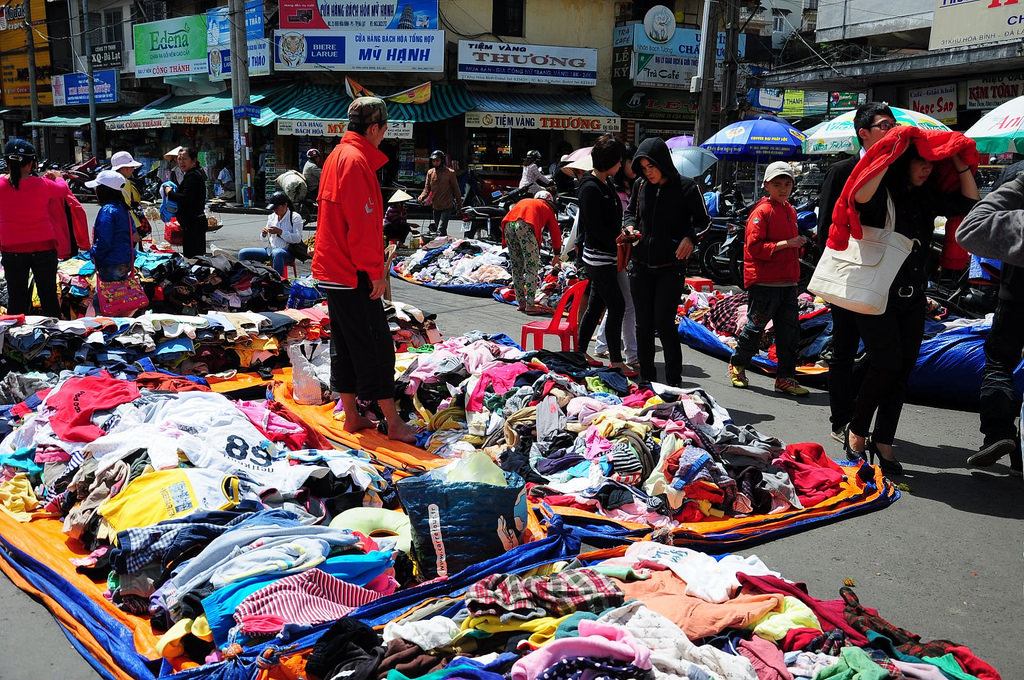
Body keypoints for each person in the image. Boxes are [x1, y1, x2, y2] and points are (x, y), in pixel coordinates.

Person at [834, 139, 978, 474]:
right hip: (875, 293)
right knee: (885, 363)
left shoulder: (927, 195)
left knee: (902, 369)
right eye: (921, 162)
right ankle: (857, 430)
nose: (927, 169)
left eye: (931, 164)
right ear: (904, 163)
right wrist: (889, 154)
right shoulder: (882, 192)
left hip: (913, 297)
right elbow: (859, 198)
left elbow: (969, 200)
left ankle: (884, 440)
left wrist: (956, 159)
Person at [311, 96, 418, 444]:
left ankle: (353, 416)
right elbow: (362, 224)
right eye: (383, 130)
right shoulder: (356, 161)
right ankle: (393, 421)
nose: (383, 137)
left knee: (345, 341)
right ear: (374, 128)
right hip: (349, 269)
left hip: (332, 266)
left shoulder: (336, 156)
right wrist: (374, 272)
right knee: (375, 346)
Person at [821, 102, 898, 443]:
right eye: (884, 125)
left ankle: (858, 410)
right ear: (863, 133)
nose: (891, 129)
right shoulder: (842, 171)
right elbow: (826, 226)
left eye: (893, 124)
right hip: (849, 271)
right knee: (844, 346)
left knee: (887, 351)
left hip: (886, 273)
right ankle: (842, 418)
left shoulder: (897, 170)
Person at [623, 137, 710, 386]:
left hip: (670, 269)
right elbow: (631, 213)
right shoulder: (640, 186)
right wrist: (629, 226)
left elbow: (705, 222)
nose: (648, 172)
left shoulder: (687, 188)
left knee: (664, 324)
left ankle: (673, 383)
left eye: (651, 166)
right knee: (643, 325)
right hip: (640, 266)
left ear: (662, 162)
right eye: (643, 168)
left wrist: (690, 238)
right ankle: (646, 382)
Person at [955, 168, 1024, 477]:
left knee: (999, 361)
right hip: (1012, 294)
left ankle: (998, 433)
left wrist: (1018, 182)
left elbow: (971, 228)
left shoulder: (1016, 182)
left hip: (1015, 295)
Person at [728, 162, 810, 397]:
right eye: (777, 184)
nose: (783, 188)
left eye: (787, 184)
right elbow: (754, 248)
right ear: (766, 186)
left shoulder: (790, 210)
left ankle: (785, 378)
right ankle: (738, 364)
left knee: (789, 333)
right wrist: (789, 244)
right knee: (755, 329)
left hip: (788, 282)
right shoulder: (761, 212)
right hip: (765, 282)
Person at [574, 134, 633, 375]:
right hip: (598, 258)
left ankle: (579, 351)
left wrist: (623, 234)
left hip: (607, 255)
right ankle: (617, 361)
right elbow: (595, 228)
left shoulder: (606, 183)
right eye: (619, 161)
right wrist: (619, 240)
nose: (621, 165)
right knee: (616, 305)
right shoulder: (590, 187)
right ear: (610, 161)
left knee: (597, 304)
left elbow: (609, 222)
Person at [0, 139, 65, 317]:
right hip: (44, 249)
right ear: (31, 164)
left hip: (11, 250)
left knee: (17, 298)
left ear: (6, 163)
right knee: (48, 296)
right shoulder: (43, 185)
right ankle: (56, 339)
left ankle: (16, 340)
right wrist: (58, 177)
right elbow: (63, 190)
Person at [500, 190, 561, 315]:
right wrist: (557, 253)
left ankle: (521, 302)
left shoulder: (525, 201)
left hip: (508, 226)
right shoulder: (547, 207)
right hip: (525, 226)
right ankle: (530, 305)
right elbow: (555, 232)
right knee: (531, 267)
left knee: (516, 267)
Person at [238, 191, 304, 276]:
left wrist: (280, 232)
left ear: (285, 205)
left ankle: (278, 282)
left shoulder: (295, 217)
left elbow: (297, 238)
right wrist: (264, 234)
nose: (275, 211)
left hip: (286, 252)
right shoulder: (272, 217)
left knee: (277, 253)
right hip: (270, 250)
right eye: (273, 209)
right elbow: (263, 239)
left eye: (277, 208)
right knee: (243, 253)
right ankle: (245, 280)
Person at [88, 169, 134, 285]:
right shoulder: (122, 208)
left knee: (106, 300)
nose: (95, 190)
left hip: (110, 262)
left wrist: (94, 254)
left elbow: (103, 240)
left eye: (97, 187)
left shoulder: (107, 210)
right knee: (120, 297)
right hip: (124, 260)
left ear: (104, 190)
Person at [164, 147, 208, 258]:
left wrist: (169, 193)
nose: (181, 162)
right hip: (193, 223)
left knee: (194, 257)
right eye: (179, 159)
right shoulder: (192, 174)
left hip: (193, 224)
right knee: (195, 256)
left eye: (184, 159)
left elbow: (185, 198)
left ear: (193, 160)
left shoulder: (192, 176)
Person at [417, 150, 461, 239]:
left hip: (447, 206)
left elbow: (456, 190)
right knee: (440, 231)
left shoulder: (450, 173)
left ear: (442, 161)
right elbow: (426, 189)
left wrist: (459, 206)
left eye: (437, 160)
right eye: (433, 161)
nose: (435, 163)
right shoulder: (430, 172)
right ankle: (443, 248)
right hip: (435, 206)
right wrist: (421, 196)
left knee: (440, 230)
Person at [111, 150, 143, 238]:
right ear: (124, 168)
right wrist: (133, 231)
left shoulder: (111, 181)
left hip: (119, 224)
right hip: (128, 224)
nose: (133, 169)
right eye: (131, 166)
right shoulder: (123, 182)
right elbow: (125, 205)